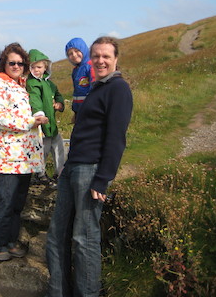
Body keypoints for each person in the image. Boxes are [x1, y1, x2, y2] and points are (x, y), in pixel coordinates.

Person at [45, 36, 133, 296]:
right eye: (96, 56)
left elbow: (117, 138)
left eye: (106, 56)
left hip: (91, 170)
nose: (101, 60)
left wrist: (103, 178)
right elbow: (83, 130)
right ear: (90, 58)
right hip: (73, 167)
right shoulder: (96, 87)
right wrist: (66, 164)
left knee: (84, 239)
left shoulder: (118, 89)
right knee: (56, 235)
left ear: (116, 59)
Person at [0, 42, 49, 261]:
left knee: (16, 204)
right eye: (12, 62)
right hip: (3, 158)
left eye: (21, 63)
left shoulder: (21, 84)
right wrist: (31, 121)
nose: (17, 66)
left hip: (23, 158)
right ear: (4, 63)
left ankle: (9, 241)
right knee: (2, 202)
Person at [26, 49, 66, 184]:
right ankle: (39, 173)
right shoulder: (32, 83)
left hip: (52, 123)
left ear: (45, 67)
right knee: (43, 149)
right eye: (33, 67)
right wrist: (39, 114)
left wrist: (60, 103)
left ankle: (60, 172)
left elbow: (58, 93)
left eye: (39, 67)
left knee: (59, 148)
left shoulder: (49, 83)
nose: (36, 70)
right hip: (42, 124)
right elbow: (34, 99)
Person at [64, 38, 96, 120]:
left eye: (77, 51)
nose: (74, 55)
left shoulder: (90, 66)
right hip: (79, 111)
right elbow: (77, 92)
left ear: (84, 50)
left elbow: (94, 88)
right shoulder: (76, 70)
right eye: (70, 54)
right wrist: (75, 112)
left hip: (90, 110)